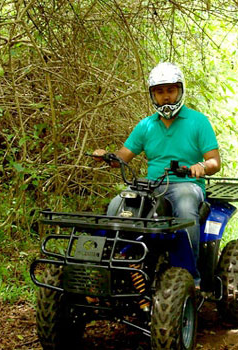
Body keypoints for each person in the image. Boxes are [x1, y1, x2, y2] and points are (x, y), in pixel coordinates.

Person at [93, 62, 221, 283]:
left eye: (170, 90)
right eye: (160, 92)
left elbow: (214, 161)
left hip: (186, 184)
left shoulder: (198, 121)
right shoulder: (146, 125)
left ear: (180, 90)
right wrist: (107, 156)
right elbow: (122, 157)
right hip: (151, 185)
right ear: (153, 95)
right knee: (117, 204)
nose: (166, 97)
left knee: (185, 207)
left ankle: (190, 277)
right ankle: (108, 270)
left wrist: (201, 166)